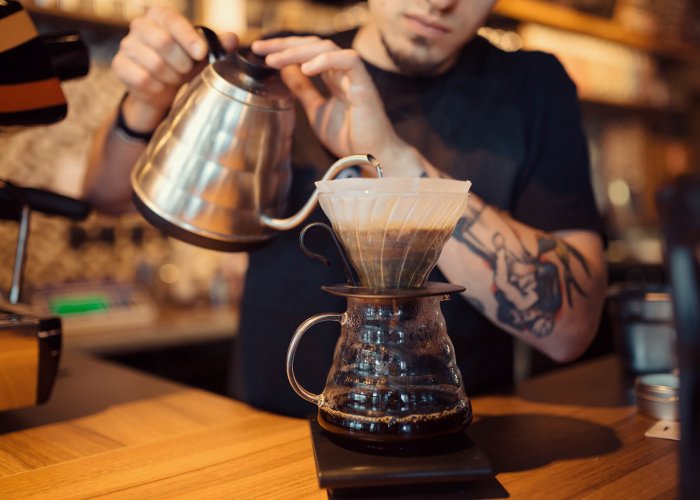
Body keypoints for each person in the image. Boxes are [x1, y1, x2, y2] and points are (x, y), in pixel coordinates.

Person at [83, 0, 607, 417]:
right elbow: (106, 196)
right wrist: (146, 100)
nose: (440, 1)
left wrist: (395, 157)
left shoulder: (533, 87)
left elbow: (569, 329)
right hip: (264, 435)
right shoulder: (291, 70)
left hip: (460, 437)